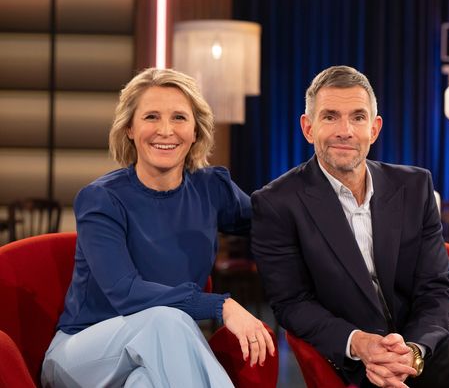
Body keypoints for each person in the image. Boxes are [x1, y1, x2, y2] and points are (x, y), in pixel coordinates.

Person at [251, 65, 449, 388]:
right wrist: (360, 343)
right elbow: (292, 304)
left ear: (374, 129)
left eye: (358, 117)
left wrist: (413, 351)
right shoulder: (276, 203)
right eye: (330, 116)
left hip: (432, 343)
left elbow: (436, 287)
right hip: (359, 355)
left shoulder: (415, 186)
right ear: (308, 128)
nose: (345, 130)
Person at [41, 68, 275, 388]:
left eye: (179, 117)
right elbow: (126, 292)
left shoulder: (211, 188)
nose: (166, 130)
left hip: (162, 349)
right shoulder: (102, 199)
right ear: (129, 128)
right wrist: (222, 305)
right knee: (165, 318)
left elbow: (274, 224)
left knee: (146, 381)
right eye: (151, 117)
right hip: (83, 354)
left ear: (195, 130)